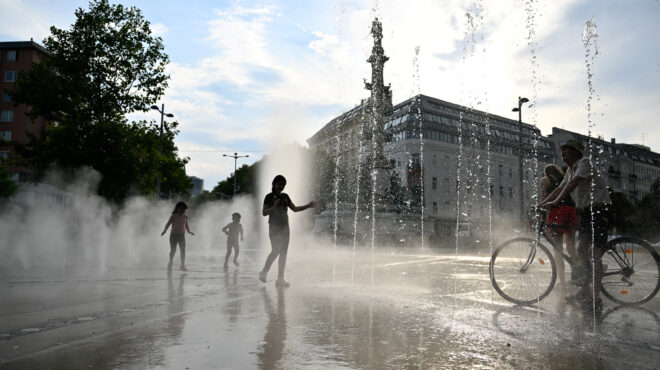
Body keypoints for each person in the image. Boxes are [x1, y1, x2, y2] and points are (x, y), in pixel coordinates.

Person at [539, 139, 611, 313]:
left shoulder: (584, 163)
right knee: (581, 252)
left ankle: (596, 298)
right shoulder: (570, 170)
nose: (563, 156)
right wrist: (541, 203)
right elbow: (560, 188)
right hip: (585, 213)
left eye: (567, 152)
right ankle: (584, 292)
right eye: (562, 153)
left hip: (599, 211)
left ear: (577, 152)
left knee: (592, 254)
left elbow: (573, 184)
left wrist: (555, 202)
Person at [259, 175, 316, 287]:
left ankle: (280, 278)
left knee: (283, 253)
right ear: (274, 184)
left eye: (283, 185)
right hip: (274, 227)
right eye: (279, 184)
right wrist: (274, 207)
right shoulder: (269, 197)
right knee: (275, 251)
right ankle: (264, 271)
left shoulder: (285, 196)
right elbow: (264, 212)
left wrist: (308, 206)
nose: (281, 186)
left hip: (285, 228)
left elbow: (294, 209)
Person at [540, 164, 577, 288]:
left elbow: (545, 196)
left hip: (557, 212)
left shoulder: (545, 180)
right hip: (571, 210)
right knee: (571, 247)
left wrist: (540, 205)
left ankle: (562, 282)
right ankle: (579, 274)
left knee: (557, 249)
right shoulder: (563, 180)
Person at [161, 201, 195, 271]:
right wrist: (165, 230)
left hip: (181, 235)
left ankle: (182, 265)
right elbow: (168, 224)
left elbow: (186, 225)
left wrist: (189, 231)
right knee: (173, 250)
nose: (182, 210)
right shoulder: (174, 216)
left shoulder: (185, 217)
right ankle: (170, 263)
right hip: (173, 235)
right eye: (181, 209)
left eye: (184, 209)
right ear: (177, 208)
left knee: (183, 250)